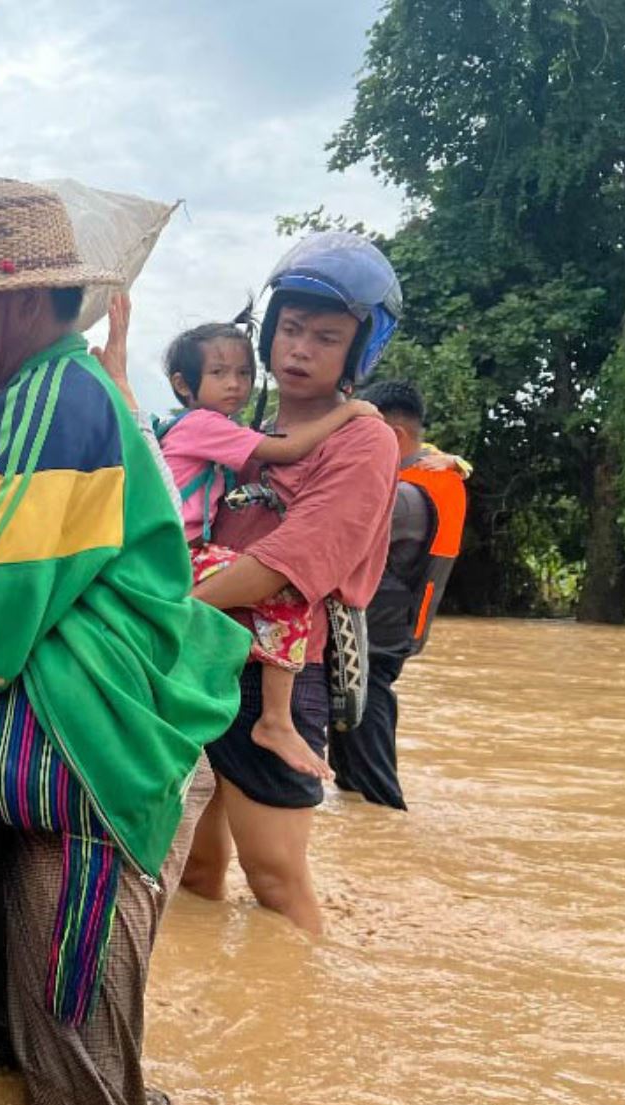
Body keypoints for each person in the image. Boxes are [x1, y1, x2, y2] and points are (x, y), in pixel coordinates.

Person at [0, 179, 248, 1105]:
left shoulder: (47, 405)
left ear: (20, 301)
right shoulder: (62, 395)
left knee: (78, 1101)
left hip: (89, 758)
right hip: (107, 741)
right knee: (37, 1052)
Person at [183, 232, 405, 935]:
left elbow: (286, 564)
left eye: (326, 337)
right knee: (192, 865)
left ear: (357, 352)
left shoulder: (363, 443)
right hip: (203, 658)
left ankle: (305, 1006)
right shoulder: (246, 431)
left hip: (277, 672)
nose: (300, 348)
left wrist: (158, 609)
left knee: (276, 878)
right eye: (291, 329)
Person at [153, 322, 385, 779]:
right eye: (220, 373)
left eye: (326, 336)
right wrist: (352, 410)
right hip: (192, 586)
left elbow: (293, 558)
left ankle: (278, 718)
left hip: (209, 627)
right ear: (184, 384)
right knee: (285, 594)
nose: (235, 384)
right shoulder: (211, 427)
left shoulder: (364, 443)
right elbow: (291, 450)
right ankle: (276, 722)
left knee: (227, 842)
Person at [329, 379, 468, 810]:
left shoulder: (404, 495)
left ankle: (384, 819)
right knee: (351, 766)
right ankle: (365, 829)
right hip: (387, 632)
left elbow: (337, 541)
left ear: (393, 438)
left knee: (376, 785)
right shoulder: (430, 476)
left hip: (377, 637)